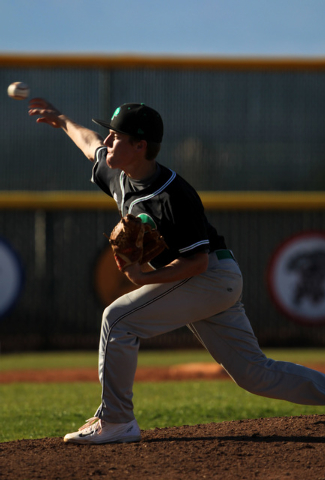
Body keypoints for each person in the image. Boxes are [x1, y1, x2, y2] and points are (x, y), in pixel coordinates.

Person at [29, 98, 325, 445]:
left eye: (115, 136)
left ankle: (117, 420)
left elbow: (196, 263)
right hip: (211, 280)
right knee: (253, 374)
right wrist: (62, 120)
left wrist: (143, 279)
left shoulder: (172, 196)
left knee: (119, 319)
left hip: (211, 276)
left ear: (140, 146)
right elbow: (89, 143)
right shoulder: (118, 172)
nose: (107, 141)